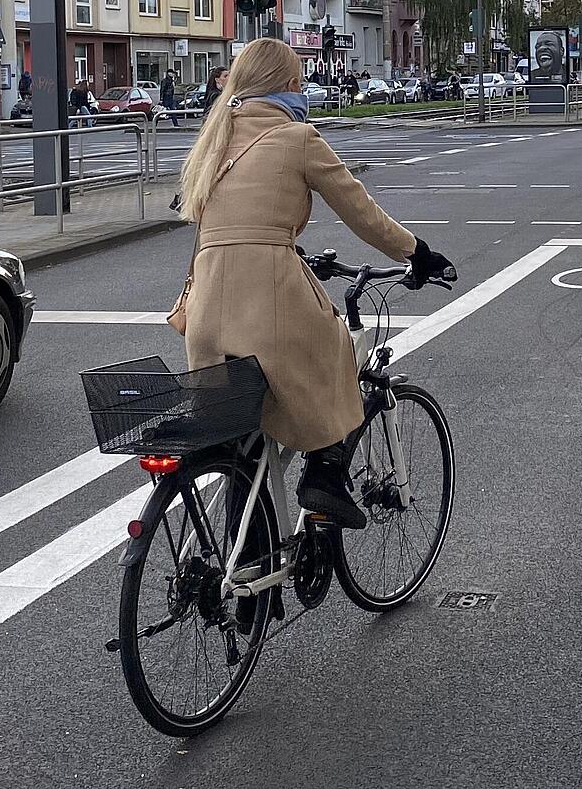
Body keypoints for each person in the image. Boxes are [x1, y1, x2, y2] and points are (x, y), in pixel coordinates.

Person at [177, 39, 453, 527]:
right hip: (268, 303)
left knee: (244, 440)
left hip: (205, 315)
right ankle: (324, 474)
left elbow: (223, 224)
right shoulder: (298, 137)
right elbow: (361, 213)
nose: (303, 92)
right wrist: (417, 253)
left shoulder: (213, 140)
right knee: (335, 351)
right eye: (300, 84)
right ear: (287, 85)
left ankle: (251, 575)